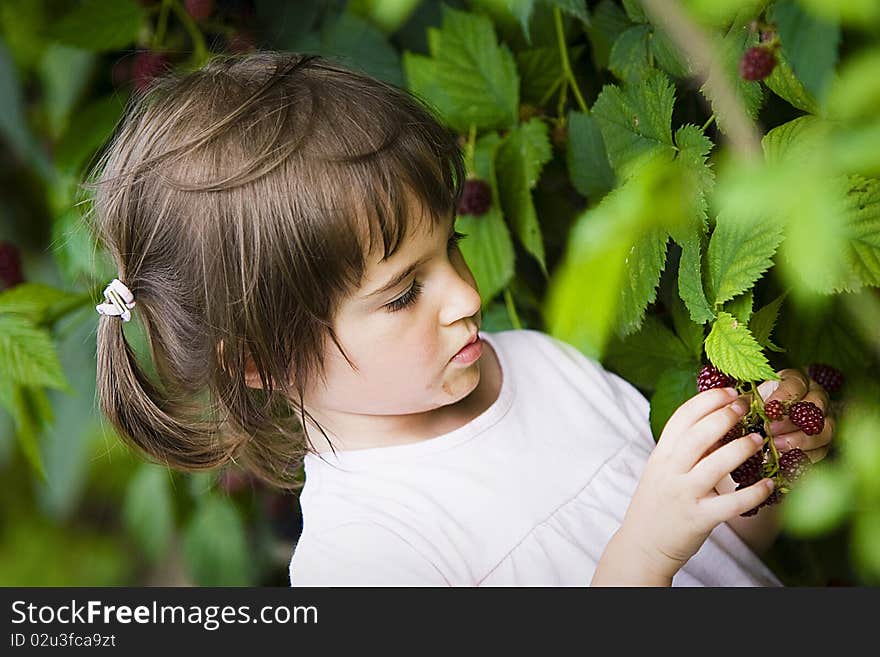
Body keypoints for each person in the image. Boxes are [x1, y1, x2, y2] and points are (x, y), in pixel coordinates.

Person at [87, 51, 835, 587]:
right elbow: (655, 553)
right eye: (403, 291)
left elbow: (718, 562)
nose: (467, 296)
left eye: (453, 245)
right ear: (261, 361)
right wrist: (643, 551)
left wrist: (754, 475)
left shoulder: (542, 364)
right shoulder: (363, 556)